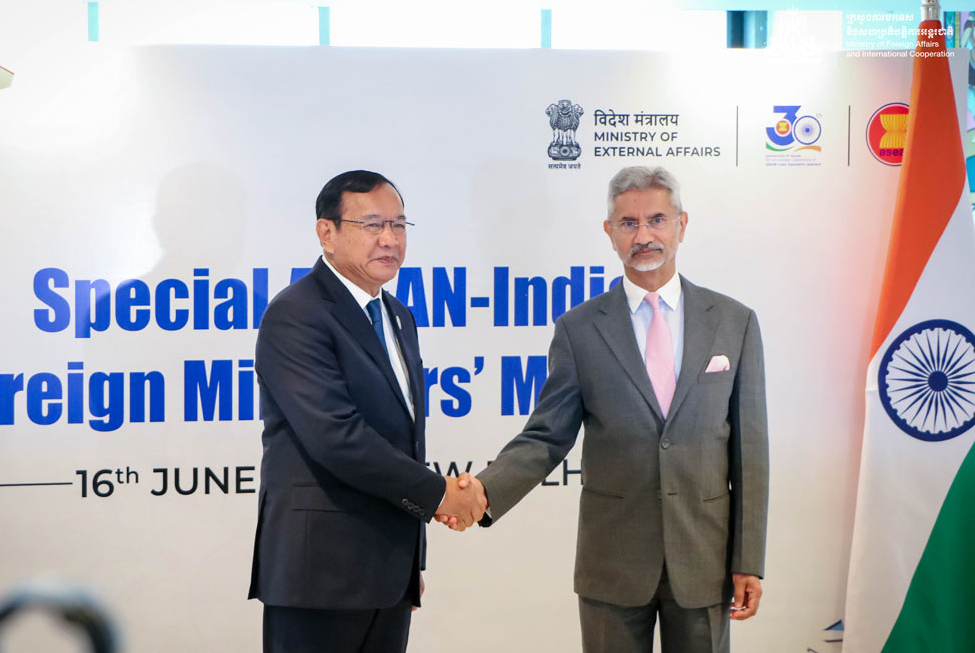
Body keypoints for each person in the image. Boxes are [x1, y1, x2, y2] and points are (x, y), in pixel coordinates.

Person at [465, 166, 769, 653]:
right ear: (609, 233)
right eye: (628, 223)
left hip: (705, 559)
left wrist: (748, 557)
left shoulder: (734, 323)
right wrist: (483, 490)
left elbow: (750, 454)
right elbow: (546, 437)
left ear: (681, 225)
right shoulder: (579, 330)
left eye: (656, 220)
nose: (644, 235)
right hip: (612, 562)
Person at [248, 170, 486, 653]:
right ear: (326, 232)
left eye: (399, 226)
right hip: (320, 576)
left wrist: (406, 566)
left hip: (386, 572)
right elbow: (338, 437)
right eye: (372, 225)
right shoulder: (296, 314)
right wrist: (441, 494)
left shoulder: (398, 316)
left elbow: (402, 441)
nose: (389, 239)